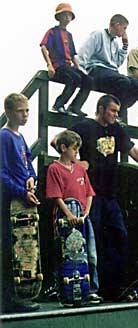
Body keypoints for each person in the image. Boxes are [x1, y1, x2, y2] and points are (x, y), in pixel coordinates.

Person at [52, 94, 138, 300]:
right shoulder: (85, 126)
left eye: (118, 111)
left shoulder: (116, 129)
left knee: (119, 235)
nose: (116, 115)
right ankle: (91, 289)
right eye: (113, 111)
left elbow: (132, 150)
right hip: (91, 194)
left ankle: (114, 286)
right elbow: (57, 141)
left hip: (111, 194)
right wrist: (74, 164)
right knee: (94, 239)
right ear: (101, 109)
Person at [45, 130, 103, 305]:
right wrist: (69, 214)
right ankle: (63, 291)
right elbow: (56, 196)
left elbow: (89, 193)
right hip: (64, 218)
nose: (77, 153)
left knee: (89, 254)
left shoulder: (79, 169)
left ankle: (91, 289)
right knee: (65, 254)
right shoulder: (54, 169)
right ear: (63, 148)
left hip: (83, 219)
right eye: (74, 149)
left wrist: (85, 213)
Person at [0, 93, 40, 312]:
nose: (25, 115)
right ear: (8, 112)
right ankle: (8, 299)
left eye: (27, 111)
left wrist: (31, 179)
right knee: (8, 249)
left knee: (22, 249)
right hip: (10, 201)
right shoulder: (4, 136)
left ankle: (18, 295)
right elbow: (2, 174)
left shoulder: (20, 137)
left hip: (23, 199)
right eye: (20, 111)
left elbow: (28, 164)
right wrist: (21, 192)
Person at [78, 14, 138, 122]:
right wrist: (81, 70)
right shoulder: (98, 34)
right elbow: (84, 52)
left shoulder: (114, 42)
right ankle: (119, 115)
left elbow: (117, 63)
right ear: (117, 25)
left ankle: (121, 108)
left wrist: (125, 45)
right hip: (97, 70)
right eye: (124, 28)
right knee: (123, 81)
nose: (125, 31)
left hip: (111, 72)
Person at [40, 3, 91, 116]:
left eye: (69, 15)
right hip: (58, 65)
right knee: (74, 78)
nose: (67, 18)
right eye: (65, 15)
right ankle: (59, 104)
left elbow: (72, 55)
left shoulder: (69, 35)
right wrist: (49, 65)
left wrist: (79, 69)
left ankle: (75, 106)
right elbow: (43, 47)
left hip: (69, 66)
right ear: (59, 16)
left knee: (88, 80)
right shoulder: (52, 32)